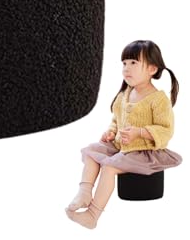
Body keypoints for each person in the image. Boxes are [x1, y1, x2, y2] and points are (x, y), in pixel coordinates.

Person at [65, 39, 183, 229]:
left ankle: (93, 215)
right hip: (121, 147)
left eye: (133, 63)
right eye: (124, 63)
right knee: (90, 152)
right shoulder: (124, 94)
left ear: (152, 69)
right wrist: (111, 132)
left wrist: (140, 132)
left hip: (143, 152)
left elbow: (166, 129)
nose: (126, 68)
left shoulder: (158, 99)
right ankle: (85, 191)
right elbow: (116, 119)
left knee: (109, 167)